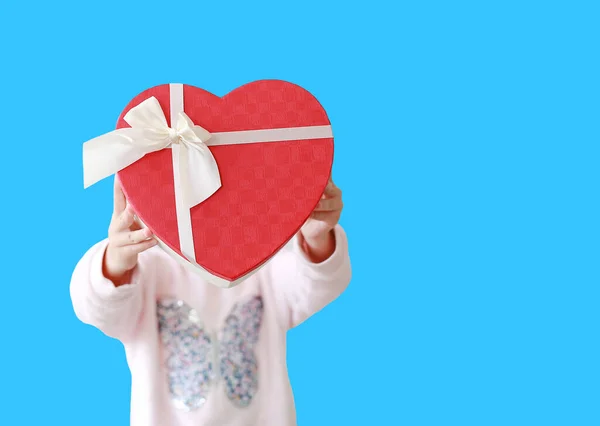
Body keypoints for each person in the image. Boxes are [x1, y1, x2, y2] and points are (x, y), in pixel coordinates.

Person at [70, 176, 352, 426]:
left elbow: (316, 283)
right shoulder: (147, 269)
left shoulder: (262, 262)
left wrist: (316, 238)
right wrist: (117, 261)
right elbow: (97, 306)